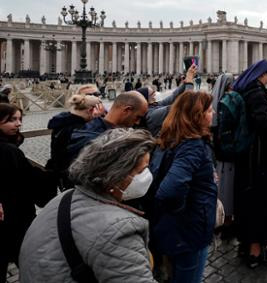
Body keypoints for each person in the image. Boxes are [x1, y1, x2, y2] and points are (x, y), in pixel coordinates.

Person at [19, 129, 156, 282]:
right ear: (116, 175)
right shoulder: (117, 229)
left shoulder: (65, 197)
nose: (148, 175)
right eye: (142, 170)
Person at [150, 91, 218, 283]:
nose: (213, 114)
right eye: (210, 110)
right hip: (189, 232)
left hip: (170, 230)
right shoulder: (193, 145)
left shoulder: (169, 138)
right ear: (198, 115)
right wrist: (187, 213)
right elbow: (169, 191)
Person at [232, 60, 267, 268]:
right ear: (262, 74)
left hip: (245, 155)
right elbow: (262, 122)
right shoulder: (257, 93)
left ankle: (244, 243)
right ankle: (255, 252)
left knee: (246, 198)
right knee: (260, 200)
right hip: (259, 158)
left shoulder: (242, 89)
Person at [0, 104, 57, 283]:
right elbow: (25, 179)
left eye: (19, 119)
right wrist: (51, 174)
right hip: (14, 214)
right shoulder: (8, 150)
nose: (18, 124)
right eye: (11, 120)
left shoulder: (10, 146)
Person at [67, 91, 148, 161]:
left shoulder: (100, 130)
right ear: (127, 110)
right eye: (138, 117)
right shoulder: (92, 139)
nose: (138, 122)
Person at [46, 94, 102, 189]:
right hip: (73, 177)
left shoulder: (62, 122)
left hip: (61, 171)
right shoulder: (81, 129)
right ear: (90, 110)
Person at [210, 73, 236, 239]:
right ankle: (226, 221)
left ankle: (221, 219)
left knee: (221, 186)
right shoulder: (228, 104)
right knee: (227, 187)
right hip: (228, 152)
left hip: (218, 153)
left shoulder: (214, 106)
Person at [139, 64, 196, 136]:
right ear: (145, 99)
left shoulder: (152, 106)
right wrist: (189, 83)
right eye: (152, 93)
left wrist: (185, 83)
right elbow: (184, 106)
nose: (155, 94)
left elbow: (173, 97)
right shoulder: (153, 114)